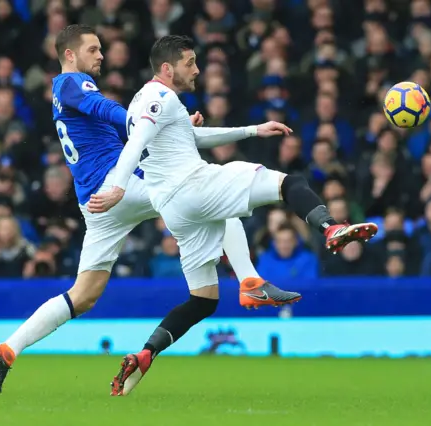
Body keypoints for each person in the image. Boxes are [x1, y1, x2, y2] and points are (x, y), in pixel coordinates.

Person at [0, 25, 301, 394]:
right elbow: (110, 111)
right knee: (211, 192)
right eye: (93, 49)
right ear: (69, 55)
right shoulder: (71, 83)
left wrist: (176, 124)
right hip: (120, 184)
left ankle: (6, 349)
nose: (101, 55)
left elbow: (122, 129)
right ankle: (249, 280)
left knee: (83, 294)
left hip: (95, 201)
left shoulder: (63, 96)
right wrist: (147, 117)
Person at [90, 35, 379, 396]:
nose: (196, 70)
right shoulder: (158, 97)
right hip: (193, 186)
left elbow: (190, 137)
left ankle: (146, 353)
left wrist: (253, 130)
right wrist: (118, 185)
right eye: (190, 63)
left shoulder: (149, 100)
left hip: (175, 209)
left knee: (203, 299)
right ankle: (330, 228)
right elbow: (134, 145)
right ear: (167, 68)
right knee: (289, 183)